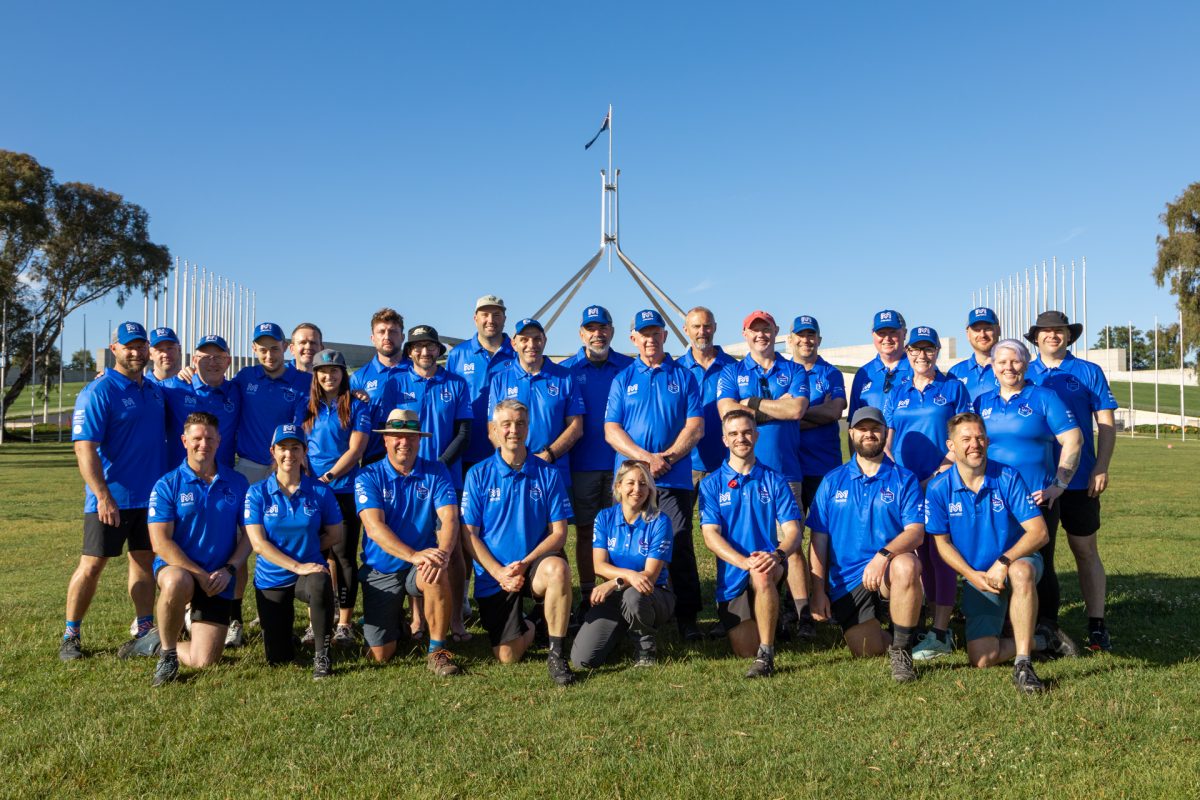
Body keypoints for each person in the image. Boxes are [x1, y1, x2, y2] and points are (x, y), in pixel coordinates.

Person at [925, 412, 1058, 693]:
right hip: (980, 576)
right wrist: (972, 576)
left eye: (980, 437)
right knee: (982, 657)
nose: (975, 444)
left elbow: (1039, 533)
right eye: (966, 439)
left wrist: (1004, 561)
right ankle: (1043, 639)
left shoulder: (1007, 476)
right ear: (951, 446)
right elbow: (942, 544)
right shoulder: (938, 488)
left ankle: (1023, 664)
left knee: (1021, 572)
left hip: (1015, 560)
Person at [62, 322, 166, 661]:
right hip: (110, 500)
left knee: (143, 563)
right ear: (114, 348)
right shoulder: (99, 391)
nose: (135, 352)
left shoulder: (151, 390)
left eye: (140, 345)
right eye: (128, 346)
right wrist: (103, 495)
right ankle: (71, 635)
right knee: (92, 566)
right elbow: (84, 449)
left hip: (148, 499)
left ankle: (145, 627)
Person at [973, 338, 1083, 657]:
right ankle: (1006, 622)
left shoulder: (1044, 397)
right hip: (993, 501)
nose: (1009, 367)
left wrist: (1059, 485)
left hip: (1036, 500)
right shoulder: (982, 403)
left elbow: (1073, 440)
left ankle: (1046, 626)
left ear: (1026, 363)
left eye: (1016, 360)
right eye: (1002, 362)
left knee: (1040, 566)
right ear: (993, 367)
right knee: (996, 558)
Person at [605, 309, 705, 641]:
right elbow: (611, 430)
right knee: (627, 545)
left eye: (656, 333)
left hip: (673, 479)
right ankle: (626, 614)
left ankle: (687, 618)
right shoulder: (623, 379)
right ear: (633, 338)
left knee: (678, 546)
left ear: (665, 336)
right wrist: (647, 459)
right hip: (632, 481)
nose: (650, 339)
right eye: (643, 334)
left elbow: (695, 425)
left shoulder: (684, 376)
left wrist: (669, 458)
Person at [461, 399, 576, 685]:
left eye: (520, 424)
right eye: (507, 425)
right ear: (494, 430)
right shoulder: (478, 475)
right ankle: (534, 623)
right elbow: (469, 535)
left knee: (558, 569)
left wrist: (524, 564)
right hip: (496, 575)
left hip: (532, 566)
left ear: (528, 427)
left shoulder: (547, 473)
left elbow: (559, 533)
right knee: (507, 656)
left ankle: (557, 653)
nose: (514, 430)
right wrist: (500, 573)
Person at [807, 407, 926, 683]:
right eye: (862, 429)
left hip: (886, 568)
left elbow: (916, 533)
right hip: (846, 579)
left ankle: (902, 651)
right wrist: (818, 591)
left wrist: (883, 556)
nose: (869, 434)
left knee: (907, 564)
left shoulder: (904, 478)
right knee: (866, 650)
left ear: (886, 433)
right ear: (851, 434)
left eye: (875, 428)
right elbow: (818, 540)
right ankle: (900, 630)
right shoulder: (832, 480)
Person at [716, 310, 812, 640]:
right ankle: (760, 604)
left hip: (785, 471)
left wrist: (753, 403)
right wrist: (775, 407)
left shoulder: (794, 369)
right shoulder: (731, 372)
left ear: (776, 332)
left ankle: (802, 617)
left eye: (766, 329)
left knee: (791, 543)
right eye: (754, 330)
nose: (761, 335)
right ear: (744, 334)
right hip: (746, 472)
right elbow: (729, 414)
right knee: (750, 540)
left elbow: (797, 410)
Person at [1025, 310, 1118, 652]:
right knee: (1039, 554)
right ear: (1035, 337)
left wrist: (1101, 466)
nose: (1052, 336)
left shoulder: (1088, 371)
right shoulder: (1023, 370)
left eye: (1059, 330)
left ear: (1069, 335)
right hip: (1036, 482)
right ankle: (1040, 625)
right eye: (1046, 331)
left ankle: (1097, 624)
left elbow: (1106, 425)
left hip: (1080, 479)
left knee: (1084, 549)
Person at [882, 326, 970, 661]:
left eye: (928, 349)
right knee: (911, 553)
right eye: (915, 350)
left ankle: (941, 631)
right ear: (907, 353)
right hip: (906, 485)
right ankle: (912, 623)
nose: (922, 356)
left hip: (940, 483)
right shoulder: (899, 390)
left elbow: (963, 435)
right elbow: (888, 438)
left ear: (937, 352)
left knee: (938, 553)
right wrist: (897, 474)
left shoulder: (952, 387)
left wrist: (935, 474)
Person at [354, 409, 465, 676]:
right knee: (380, 656)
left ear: (419, 440)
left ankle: (437, 651)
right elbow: (374, 527)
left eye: (411, 437)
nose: (404, 442)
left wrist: (444, 553)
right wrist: (413, 554)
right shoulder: (368, 476)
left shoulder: (436, 471)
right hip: (383, 567)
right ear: (385, 440)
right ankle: (398, 625)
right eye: (397, 436)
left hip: (421, 563)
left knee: (436, 570)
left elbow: (449, 518)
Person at [146, 412, 251, 686]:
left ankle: (154, 643)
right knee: (177, 580)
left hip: (218, 579)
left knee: (204, 661)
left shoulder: (237, 483)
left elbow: (250, 536)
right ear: (184, 441)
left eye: (209, 438)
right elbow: (160, 543)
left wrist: (229, 569)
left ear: (219, 441)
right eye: (196, 438)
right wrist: (199, 575)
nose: (203, 444)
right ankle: (168, 654)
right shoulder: (167, 485)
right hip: (181, 571)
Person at [699, 410, 804, 678]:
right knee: (744, 649)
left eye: (746, 432)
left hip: (768, 564)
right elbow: (710, 536)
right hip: (735, 571)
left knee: (762, 573)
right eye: (733, 434)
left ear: (756, 435)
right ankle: (770, 621)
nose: (741, 438)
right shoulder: (711, 484)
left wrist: (777, 555)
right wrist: (743, 561)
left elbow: (794, 531)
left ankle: (766, 655)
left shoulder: (775, 480)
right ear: (724, 440)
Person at [385, 324, 473, 640]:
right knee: (416, 543)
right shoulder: (395, 383)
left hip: (446, 476)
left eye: (430, 346)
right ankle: (418, 619)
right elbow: (388, 428)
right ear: (410, 351)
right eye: (418, 346)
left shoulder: (456, 383)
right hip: (409, 478)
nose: (424, 352)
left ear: (438, 350)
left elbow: (464, 432)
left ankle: (457, 616)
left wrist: (437, 465)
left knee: (455, 546)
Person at [227, 321, 310, 646]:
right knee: (241, 544)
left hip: (284, 466)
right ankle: (234, 619)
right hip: (247, 467)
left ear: (285, 348)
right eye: (262, 349)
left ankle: (278, 613)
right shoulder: (245, 378)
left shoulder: (302, 381)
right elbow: (213, 385)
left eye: (274, 348)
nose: (269, 354)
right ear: (254, 351)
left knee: (283, 539)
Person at [244, 424, 344, 679]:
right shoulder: (257, 492)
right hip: (272, 577)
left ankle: (322, 654)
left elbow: (335, 534)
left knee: (321, 578)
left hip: (307, 573)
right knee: (278, 657)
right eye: (283, 448)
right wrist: (295, 564)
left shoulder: (320, 491)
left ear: (304, 452)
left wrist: (307, 553)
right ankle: (284, 632)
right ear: (273, 452)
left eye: (295, 448)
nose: (289, 454)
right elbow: (258, 544)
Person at [561, 305, 634, 623]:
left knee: (627, 528)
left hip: (623, 464)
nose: (597, 333)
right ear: (581, 333)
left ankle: (624, 591)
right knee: (588, 532)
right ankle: (589, 594)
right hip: (582, 465)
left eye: (603, 328)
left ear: (612, 331)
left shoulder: (629, 367)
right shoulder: (566, 371)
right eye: (591, 328)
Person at [570, 459, 674, 670]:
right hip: (614, 595)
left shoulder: (660, 521)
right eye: (631, 483)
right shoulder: (604, 517)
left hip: (653, 594)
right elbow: (598, 566)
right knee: (582, 661)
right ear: (618, 486)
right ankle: (621, 631)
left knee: (633, 595)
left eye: (644, 483)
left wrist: (613, 583)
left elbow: (649, 576)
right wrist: (628, 576)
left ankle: (645, 647)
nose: (637, 489)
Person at [301, 349, 371, 648]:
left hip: (342, 490)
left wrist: (327, 477)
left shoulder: (357, 405)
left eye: (335, 371)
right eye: (322, 371)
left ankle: (344, 622)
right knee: (315, 555)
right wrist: (308, 479)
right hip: (311, 491)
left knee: (342, 557)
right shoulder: (304, 407)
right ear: (315, 376)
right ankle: (317, 620)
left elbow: (356, 450)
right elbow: (298, 445)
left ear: (344, 373)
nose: (329, 376)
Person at [487, 317, 584, 484]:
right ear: (514, 344)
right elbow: (492, 428)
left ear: (544, 341)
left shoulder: (565, 377)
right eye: (524, 339)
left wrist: (549, 455)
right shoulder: (500, 380)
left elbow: (576, 427)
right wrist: (513, 459)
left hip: (554, 471)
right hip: (512, 472)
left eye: (537, 339)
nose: (531, 345)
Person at [446, 294, 515, 473]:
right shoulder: (458, 355)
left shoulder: (517, 353)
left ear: (505, 319)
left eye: (496, 315)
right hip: (466, 452)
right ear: (475, 318)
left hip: (509, 452)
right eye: (485, 315)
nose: (490, 320)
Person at [788, 315, 848, 513]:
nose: (806, 340)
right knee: (790, 534)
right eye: (800, 335)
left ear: (819, 340)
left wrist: (791, 414)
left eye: (811, 335)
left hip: (823, 467)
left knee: (824, 533)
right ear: (790, 339)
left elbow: (834, 412)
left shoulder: (831, 373)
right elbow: (771, 417)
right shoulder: (780, 372)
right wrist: (818, 414)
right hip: (788, 466)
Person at [160, 334, 241, 470]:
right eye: (205, 358)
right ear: (194, 361)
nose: (212, 363)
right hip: (181, 480)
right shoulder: (171, 388)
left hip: (223, 480)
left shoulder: (237, 391)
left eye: (218, 357)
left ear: (228, 361)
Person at [350, 308, 410, 466]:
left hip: (411, 455)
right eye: (381, 332)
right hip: (373, 459)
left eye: (393, 331)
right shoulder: (358, 378)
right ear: (372, 338)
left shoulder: (416, 371)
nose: (387, 337)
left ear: (402, 337)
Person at [848, 309, 911, 418]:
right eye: (881, 333)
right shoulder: (863, 374)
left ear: (904, 333)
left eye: (893, 332)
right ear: (873, 335)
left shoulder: (918, 369)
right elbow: (854, 423)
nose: (887, 338)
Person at [948, 307, 1001, 401]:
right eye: (976, 330)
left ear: (998, 330)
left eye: (987, 329)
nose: (982, 335)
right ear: (968, 334)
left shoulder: (1012, 369)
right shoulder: (955, 373)